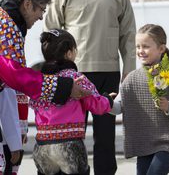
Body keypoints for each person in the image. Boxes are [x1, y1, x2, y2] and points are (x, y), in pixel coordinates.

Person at [44, 0, 136, 175]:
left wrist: (129, 69)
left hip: (109, 73)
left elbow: (128, 33)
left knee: (105, 139)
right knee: (72, 137)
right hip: (74, 76)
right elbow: (51, 32)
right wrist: (55, 72)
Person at [0, 0, 91, 174]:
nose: (42, 17)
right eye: (41, 9)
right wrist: (64, 87)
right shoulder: (6, 26)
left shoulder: (10, 23)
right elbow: (15, 75)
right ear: (27, 4)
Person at [111, 24, 169, 175]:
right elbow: (118, 108)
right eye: (137, 46)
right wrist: (106, 103)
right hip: (144, 141)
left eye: (145, 46)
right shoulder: (131, 78)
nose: (140, 51)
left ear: (161, 49)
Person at [31, 29, 114, 175]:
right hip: (69, 144)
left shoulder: (40, 80)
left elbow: (32, 103)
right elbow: (96, 104)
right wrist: (108, 100)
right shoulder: (76, 78)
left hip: (42, 145)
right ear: (69, 53)